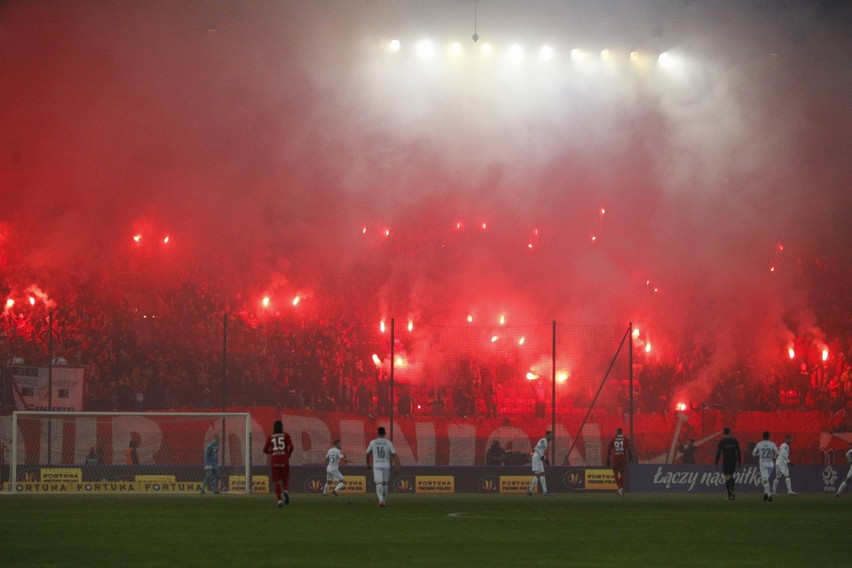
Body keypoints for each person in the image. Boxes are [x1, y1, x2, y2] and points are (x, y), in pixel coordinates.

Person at [366, 426, 400, 507]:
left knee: (378, 483)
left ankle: (380, 499)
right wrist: (396, 466)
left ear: (377, 433)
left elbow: (367, 454)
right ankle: (383, 501)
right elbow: (393, 454)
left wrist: (368, 464)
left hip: (377, 465)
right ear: (385, 433)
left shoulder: (373, 442)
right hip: (386, 465)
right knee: (385, 484)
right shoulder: (388, 443)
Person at [263, 420, 294, 508]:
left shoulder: (271, 436)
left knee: (277, 482)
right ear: (281, 427)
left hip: (275, 460)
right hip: (284, 459)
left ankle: (279, 501)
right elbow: (291, 447)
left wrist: (272, 452)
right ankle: (286, 491)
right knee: (285, 480)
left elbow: (264, 450)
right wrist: (288, 454)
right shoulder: (286, 435)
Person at [715, 427, 742, 500]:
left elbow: (719, 452)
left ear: (723, 433)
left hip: (726, 461)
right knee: (731, 475)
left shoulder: (722, 441)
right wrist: (739, 461)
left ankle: (730, 494)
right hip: (733, 461)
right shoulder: (735, 441)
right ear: (730, 433)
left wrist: (716, 462)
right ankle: (733, 490)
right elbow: (738, 452)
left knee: (727, 477)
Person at [752, 431, 778, 502]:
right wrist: (774, 456)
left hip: (763, 464)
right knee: (766, 480)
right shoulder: (772, 444)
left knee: (765, 480)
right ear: (769, 436)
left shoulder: (759, 444)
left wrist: (760, 454)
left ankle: (769, 495)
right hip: (771, 464)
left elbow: (753, 453)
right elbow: (777, 453)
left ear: (762, 436)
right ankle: (765, 493)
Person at [606, 428, 631, 496]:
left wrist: (608, 459)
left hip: (616, 458)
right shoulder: (625, 439)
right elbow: (629, 450)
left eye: (616, 432)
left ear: (617, 432)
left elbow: (609, 450)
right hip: (623, 457)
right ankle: (621, 489)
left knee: (616, 473)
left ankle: (620, 488)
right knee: (622, 474)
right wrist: (630, 458)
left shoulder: (613, 439)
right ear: (621, 432)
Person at [527, 430, 553, 496]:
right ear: (547, 435)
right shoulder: (543, 440)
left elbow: (541, 451)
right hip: (536, 458)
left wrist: (545, 459)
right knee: (541, 474)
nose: (551, 437)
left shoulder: (546, 442)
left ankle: (530, 491)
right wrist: (542, 457)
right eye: (551, 435)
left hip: (538, 458)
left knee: (539, 474)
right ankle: (544, 492)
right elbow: (536, 448)